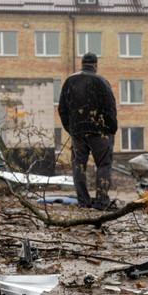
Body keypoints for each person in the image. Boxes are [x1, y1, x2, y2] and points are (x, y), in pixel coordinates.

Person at [58, 53, 118, 210]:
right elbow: (110, 108)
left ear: (82, 63)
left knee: (79, 165)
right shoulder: (101, 81)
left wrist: (71, 129)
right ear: (96, 64)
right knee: (103, 165)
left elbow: (62, 109)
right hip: (100, 132)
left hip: (78, 132)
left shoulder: (70, 81)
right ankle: (102, 201)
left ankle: (83, 202)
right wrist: (112, 129)